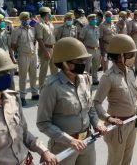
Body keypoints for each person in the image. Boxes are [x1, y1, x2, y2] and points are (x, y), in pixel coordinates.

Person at [0, 44, 57, 165]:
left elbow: (24, 133)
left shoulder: (13, 98)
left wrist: (43, 150)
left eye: (7, 71)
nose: (6, 76)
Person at [37, 37, 108, 165]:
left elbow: (89, 108)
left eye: (84, 60)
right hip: (63, 146)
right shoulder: (52, 86)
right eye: (79, 61)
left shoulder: (85, 79)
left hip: (87, 141)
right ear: (65, 63)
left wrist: (97, 123)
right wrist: (69, 140)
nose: (83, 63)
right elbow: (43, 123)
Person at [94, 34, 137, 165]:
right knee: (115, 160)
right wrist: (108, 118)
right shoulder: (108, 77)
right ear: (119, 56)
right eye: (130, 55)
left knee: (127, 157)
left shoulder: (130, 72)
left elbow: (135, 94)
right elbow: (96, 103)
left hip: (132, 122)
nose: (133, 58)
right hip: (118, 127)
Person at [11, 12, 39, 106]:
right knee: (23, 77)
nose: (26, 20)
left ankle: (34, 94)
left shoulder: (33, 30)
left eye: (27, 18)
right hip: (23, 55)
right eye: (23, 18)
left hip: (33, 55)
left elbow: (35, 42)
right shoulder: (17, 30)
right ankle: (22, 97)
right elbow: (13, 45)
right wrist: (19, 51)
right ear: (21, 19)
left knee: (33, 75)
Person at [36, 7, 57, 88]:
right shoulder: (40, 24)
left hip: (52, 48)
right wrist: (45, 51)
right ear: (46, 14)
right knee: (44, 70)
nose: (50, 15)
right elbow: (39, 39)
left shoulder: (50, 23)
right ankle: (41, 88)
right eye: (49, 14)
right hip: (45, 49)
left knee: (54, 69)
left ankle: (55, 87)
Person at [79, 14, 102, 85]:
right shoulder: (85, 28)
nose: (94, 20)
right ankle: (86, 81)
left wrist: (100, 49)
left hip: (97, 49)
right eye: (93, 19)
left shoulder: (97, 28)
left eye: (95, 19)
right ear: (89, 20)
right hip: (88, 49)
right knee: (87, 67)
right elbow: (81, 39)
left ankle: (95, 80)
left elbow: (99, 39)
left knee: (96, 66)